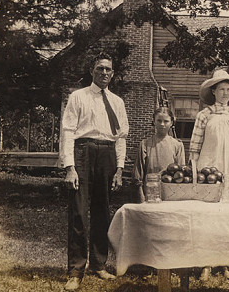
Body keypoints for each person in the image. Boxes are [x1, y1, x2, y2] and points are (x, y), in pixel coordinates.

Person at [61, 53, 129, 291]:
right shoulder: (78, 97)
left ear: (112, 73)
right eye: (100, 68)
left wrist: (119, 169)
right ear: (92, 71)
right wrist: (70, 167)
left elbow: (121, 138)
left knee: (102, 210)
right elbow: (68, 131)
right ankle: (76, 270)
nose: (104, 73)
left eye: (108, 70)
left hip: (107, 155)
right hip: (83, 152)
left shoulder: (117, 102)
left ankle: (98, 264)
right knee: (79, 212)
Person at [189, 69, 229, 282]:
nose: (225, 93)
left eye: (228, 89)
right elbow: (194, 148)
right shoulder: (204, 115)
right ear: (213, 91)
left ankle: (226, 264)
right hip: (209, 169)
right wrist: (195, 173)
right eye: (221, 89)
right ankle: (206, 263)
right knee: (208, 216)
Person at [133, 107, 185, 202]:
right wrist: (141, 196)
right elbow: (138, 174)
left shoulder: (177, 145)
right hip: (150, 191)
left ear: (171, 123)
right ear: (154, 121)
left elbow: (181, 174)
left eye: (166, 121)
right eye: (159, 120)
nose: (162, 124)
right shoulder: (145, 144)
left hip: (170, 193)